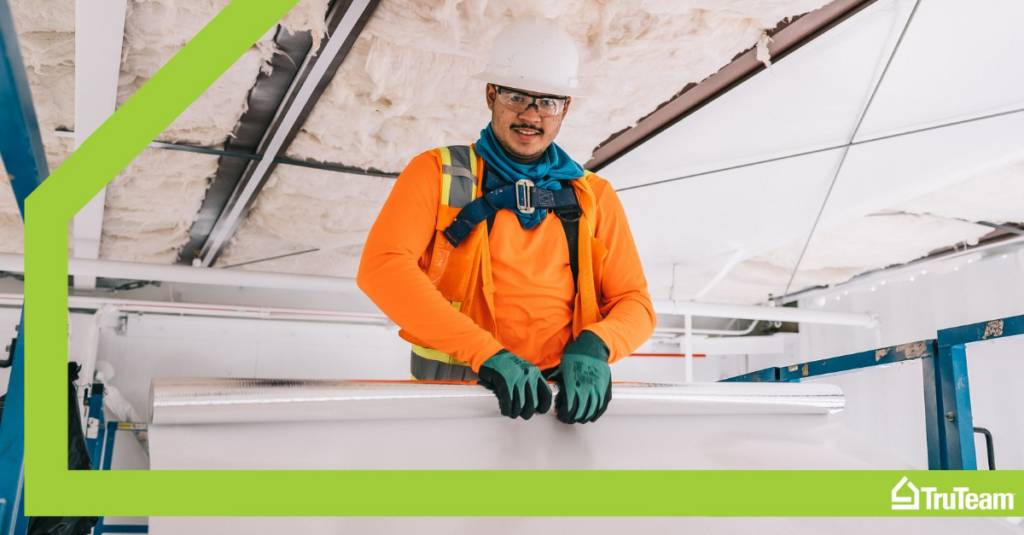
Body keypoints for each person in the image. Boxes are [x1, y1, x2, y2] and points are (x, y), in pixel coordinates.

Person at [357, 17, 655, 424]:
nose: (532, 115)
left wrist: (597, 345)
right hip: (452, 402)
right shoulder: (437, 172)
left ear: (565, 108)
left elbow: (634, 302)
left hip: (556, 404)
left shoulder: (594, 196)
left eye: (548, 101)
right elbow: (382, 268)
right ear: (491, 94)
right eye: (517, 96)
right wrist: (485, 352)